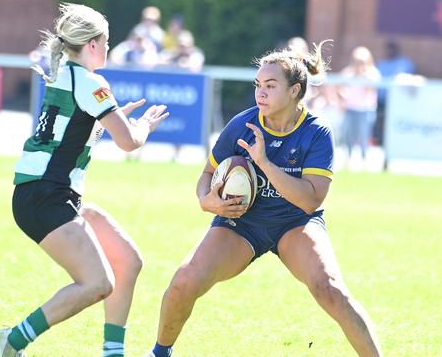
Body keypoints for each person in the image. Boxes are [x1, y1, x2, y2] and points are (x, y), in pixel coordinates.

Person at [146, 42, 382, 357]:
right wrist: (207, 202)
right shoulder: (242, 123)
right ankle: (159, 353)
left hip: (294, 222)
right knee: (183, 282)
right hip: (241, 222)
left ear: (295, 90)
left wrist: (265, 164)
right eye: (258, 85)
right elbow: (206, 175)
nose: (261, 93)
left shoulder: (317, 133)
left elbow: (310, 201)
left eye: (270, 86)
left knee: (331, 289)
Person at [0, 3, 169, 357]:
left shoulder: (66, 75)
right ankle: (12, 341)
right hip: (46, 197)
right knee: (97, 283)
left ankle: (112, 353)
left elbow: (68, 135)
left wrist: (104, 122)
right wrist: (144, 126)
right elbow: (130, 142)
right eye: (105, 41)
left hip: (46, 193)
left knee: (128, 261)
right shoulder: (90, 82)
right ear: (91, 44)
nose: (108, 48)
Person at [339, 46, 381, 168]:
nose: (359, 64)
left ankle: (364, 159)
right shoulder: (347, 73)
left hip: (365, 110)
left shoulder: (373, 73)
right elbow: (340, 88)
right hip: (350, 109)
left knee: (364, 135)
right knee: (348, 136)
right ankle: (348, 158)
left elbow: (370, 89)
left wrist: (362, 75)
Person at [375, 40, 415, 145]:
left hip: (399, 101)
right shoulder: (381, 64)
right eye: (388, 49)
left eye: (392, 49)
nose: (390, 52)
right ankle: (380, 141)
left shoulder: (405, 63)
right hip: (381, 100)